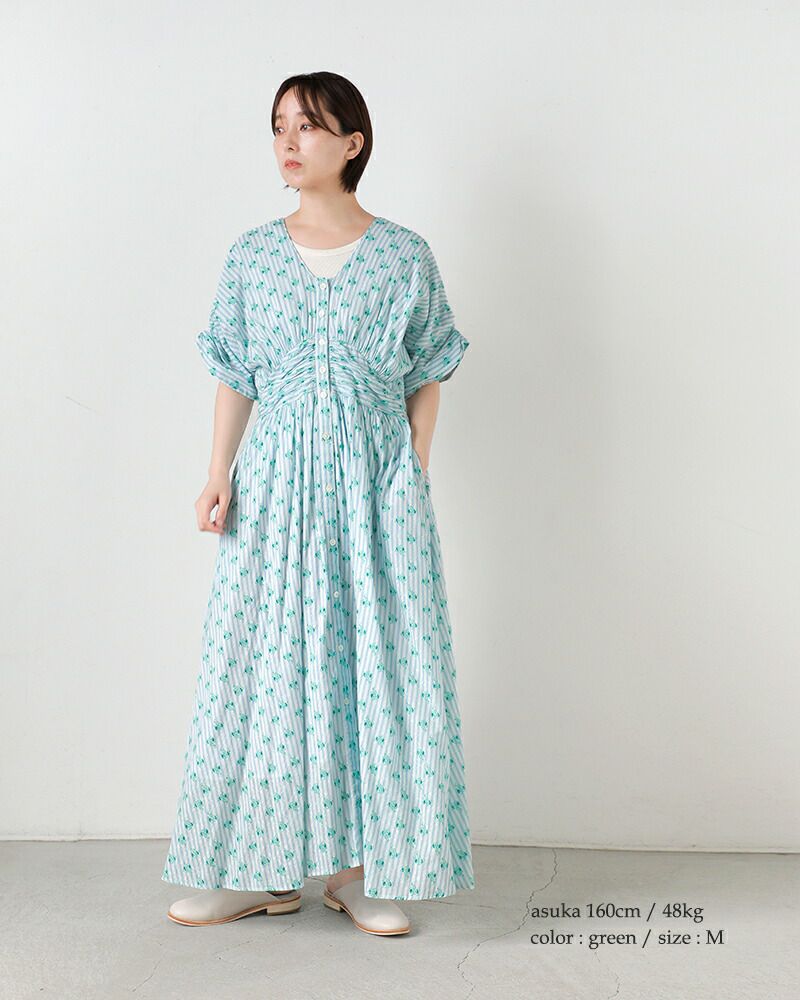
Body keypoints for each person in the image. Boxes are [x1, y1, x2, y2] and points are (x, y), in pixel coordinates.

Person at [162, 71, 475, 937]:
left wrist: (413, 462)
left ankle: (357, 871)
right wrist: (218, 472)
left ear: (352, 142)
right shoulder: (252, 255)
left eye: (307, 126)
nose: (289, 142)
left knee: (374, 662)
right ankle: (254, 869)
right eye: (278, 127)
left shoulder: (404, 254)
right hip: (275, 487)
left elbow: (429, 365)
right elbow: (235, 372)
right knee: (260, 663)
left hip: (376, 487)